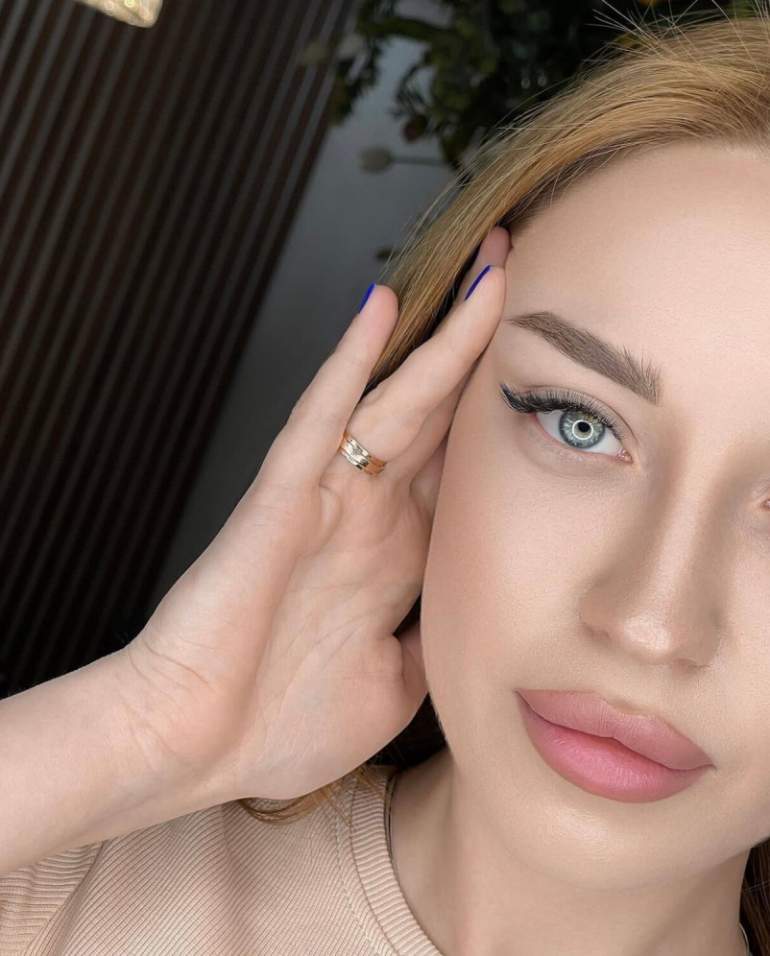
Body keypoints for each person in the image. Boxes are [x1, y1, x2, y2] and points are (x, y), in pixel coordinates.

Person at [1, 8, 768, 955]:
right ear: (435, 425)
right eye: (581, 424)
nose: (650, 624)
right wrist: (149, 727)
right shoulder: (59, 875)